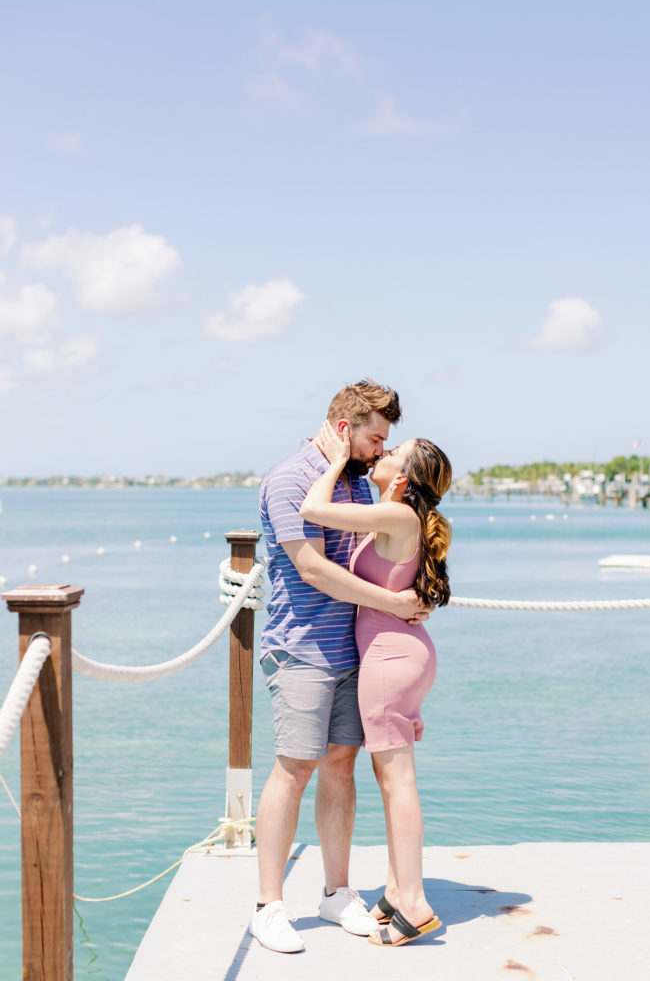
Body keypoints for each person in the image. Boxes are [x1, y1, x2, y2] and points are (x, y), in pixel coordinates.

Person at [250, 380, 429, 954]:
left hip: (354, 652)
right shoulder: (289, 478)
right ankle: (269, 905)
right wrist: (395, 605)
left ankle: (335, 892)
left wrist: (413, 592)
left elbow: (388, 549)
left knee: (340, 768)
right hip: (300, 647)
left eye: (386, 442)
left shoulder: (354, 480)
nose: (380, 449)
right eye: (375, 437)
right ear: (346, 428)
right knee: (294, 769)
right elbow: (313, 570)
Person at [300, 421, 452, 948]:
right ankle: (396, 888)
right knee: (394, 780)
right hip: (401, 659)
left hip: (389, 661)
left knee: (396, 783)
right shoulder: (399, 512)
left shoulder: (396, 513)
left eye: (395, 452)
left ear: (406, 480)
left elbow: (312, 510)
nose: (382, 451)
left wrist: (338, 457)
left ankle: (413, 902)